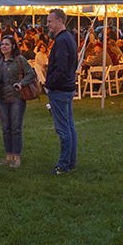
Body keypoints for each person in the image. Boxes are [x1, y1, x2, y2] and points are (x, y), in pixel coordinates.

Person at [0, 35, 36, 168]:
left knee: (15, 128)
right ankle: (8, 157)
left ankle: (17, 158)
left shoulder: (19, 59)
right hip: (2, 99)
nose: (3, 46)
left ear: (13, 46)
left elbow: (31, 74)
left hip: (17, 98)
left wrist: (21, 84)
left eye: (6, 44)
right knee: (5, 128)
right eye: (2, 44)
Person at [44, 9, 78, 174]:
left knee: (63, 128)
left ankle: (63, 164)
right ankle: (70, 162)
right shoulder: (68, 38)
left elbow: (62, 67)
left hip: (60, 89)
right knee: (69, 126)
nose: (48, 24)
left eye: (50, 21)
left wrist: (50, 83)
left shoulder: (62, 41)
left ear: (59, 21)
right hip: (67, 87)